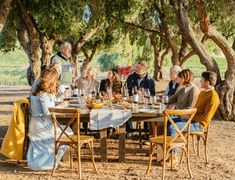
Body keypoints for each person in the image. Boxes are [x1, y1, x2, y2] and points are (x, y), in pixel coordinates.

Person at [167, 71, 220, 163]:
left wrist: (188, 117)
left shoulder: (213, 97)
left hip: (198, 125)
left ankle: (173, 157)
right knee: (167, 120)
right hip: (191, 119)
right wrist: (187, 116)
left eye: (202, 80)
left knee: (172, 127)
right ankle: (163, 149)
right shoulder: (203, 93)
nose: (200, 81)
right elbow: (196, 110)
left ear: (207, 83)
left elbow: (205, 118)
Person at [27, 67, 71, 170]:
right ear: (51, 80)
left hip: (41, 122)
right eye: (56, 79)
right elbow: (48, 112)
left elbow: (51, 102)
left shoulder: (43, 91)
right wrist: (61, 105)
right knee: (67, 133)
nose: (57, 82)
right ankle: (51, 161)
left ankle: (53, 159)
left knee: (66, 131)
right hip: (40, 125)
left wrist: (60, 101)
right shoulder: (43, 94)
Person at [126, 60, 156, 137]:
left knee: (148, 110)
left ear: (144, 70)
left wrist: (143, 94)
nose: (137, 70)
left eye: (139, 69)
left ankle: (146, 131)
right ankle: (129, 131)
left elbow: (152, 94)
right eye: (136, 68)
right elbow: (126, 89)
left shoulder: (150, 80)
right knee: (126, 110)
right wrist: (132, 94)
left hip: (145, 102)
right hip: (132, 100)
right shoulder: (131, 77)